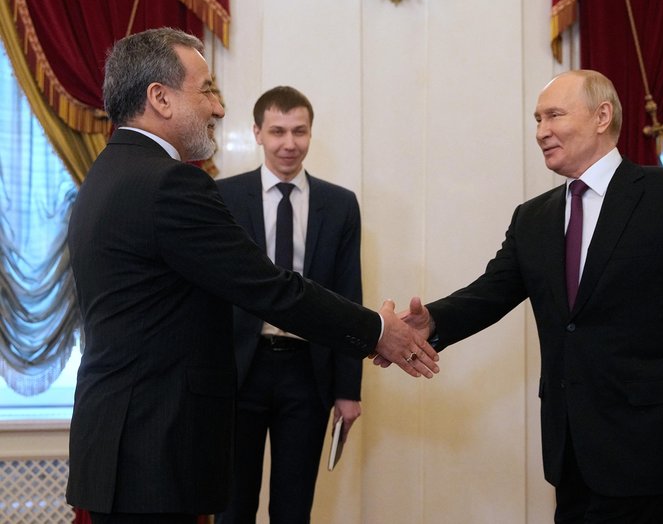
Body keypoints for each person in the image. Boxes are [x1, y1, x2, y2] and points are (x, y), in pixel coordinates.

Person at [390, 69, 663, 523]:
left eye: (554, 115)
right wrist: (431, 322)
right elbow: (491, 293)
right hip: (570, 447)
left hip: (647, 443)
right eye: (536, 120)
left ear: (602, 116)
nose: (541, 132)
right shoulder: (533, 218)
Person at [66, 28, 439, 524]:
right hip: (151, 448)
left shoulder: (110, 171)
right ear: (160, 97)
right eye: (207, 90)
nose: (218, 109)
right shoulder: (171, 183)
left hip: (124, 443)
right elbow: (269, 288)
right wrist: (377, 332)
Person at [214, 86, 364, 523]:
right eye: (277, 131)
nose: (289, 143)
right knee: (232, 505)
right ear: (257, 132)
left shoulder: (340, 205)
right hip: (239, 371)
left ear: (311, 134)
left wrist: (348, 389)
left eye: (299, 131)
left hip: (307, 373)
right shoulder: (222, 198)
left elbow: (348, 296)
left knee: (294, 507)